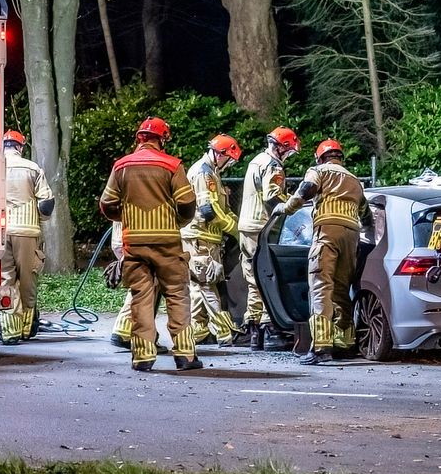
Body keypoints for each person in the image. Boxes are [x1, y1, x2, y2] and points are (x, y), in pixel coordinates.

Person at [99, 117, 201, 371]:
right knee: (177, 296)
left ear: (139, 138)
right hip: (167, 243)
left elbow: (107, 203)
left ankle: (143, 357)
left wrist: (125, 217)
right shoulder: (172, 165)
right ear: (162, 139)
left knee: (141, 298)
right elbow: (187, 203)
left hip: (135, 244)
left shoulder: (121, 166)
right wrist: (177, 222)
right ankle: (185, 355)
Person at [275, 139, 369, 365]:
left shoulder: (318, 171)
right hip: (351, 236)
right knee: (341, 289)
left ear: (320, 157)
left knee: (320, 285)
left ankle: (321, 347)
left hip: (327, 231)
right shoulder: (356, 181)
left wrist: (286, 208)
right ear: (340, 157)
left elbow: (306, 190)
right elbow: (365, 214)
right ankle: (345, 343)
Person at [238, 127, 299, 351]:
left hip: (246, 226)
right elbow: (273, 196)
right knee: (266, 277)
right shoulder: (273, 165)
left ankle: (254, 331)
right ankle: (270, 327)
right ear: (280, 147)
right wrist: (292, 206)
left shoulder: (256, 161)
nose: (288, 155)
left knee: (253, 278)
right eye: (288, 151)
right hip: (260, 226)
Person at [182, 134, 244, 346]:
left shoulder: (211, 172)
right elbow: (209, 210)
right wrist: (235, 230)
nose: (229, 165)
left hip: (200, 237)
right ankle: (224, 332)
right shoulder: (204, 173)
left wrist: (236, 221)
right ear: (220, 154)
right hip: (201, 237)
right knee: (208, 283)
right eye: (229, 160)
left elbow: (220, 207)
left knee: (197, 285)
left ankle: (197, 331)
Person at [0, 130, 54, 345]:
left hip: (0, 234)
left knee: (6, 279)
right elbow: (46, 203)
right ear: (21, 147)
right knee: (28, 281)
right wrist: (40, 218)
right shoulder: (32, 168)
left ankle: (9, 332)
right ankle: (26, 328)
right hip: (27, 231)